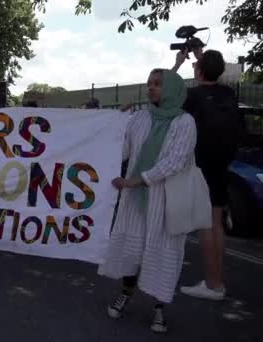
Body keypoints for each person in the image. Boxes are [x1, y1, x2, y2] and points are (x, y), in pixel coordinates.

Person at [98, 69, 197, 334]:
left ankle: (160, 308)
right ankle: (125, 293)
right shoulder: (140, 118)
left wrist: (135, 181)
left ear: (173, 89)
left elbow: (174, 162)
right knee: (132, 249)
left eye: (157, 84)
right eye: (149, 84)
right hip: (134, 199)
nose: (151, 88)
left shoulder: (185, 122)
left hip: (166, 200)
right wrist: (115, 120)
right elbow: (121, 148)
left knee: (163, 251)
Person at [175, 50, 245, 301]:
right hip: (221, 164)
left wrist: (178, 64)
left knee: (206, 223)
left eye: (197, 64)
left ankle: (213, 284)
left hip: (202, 164)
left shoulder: (192, 96)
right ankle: (217, 282)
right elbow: (212, 77)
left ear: (200, 70)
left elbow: (165, 97)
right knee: (216, 222)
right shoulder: (227, 93)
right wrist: (201, 56)